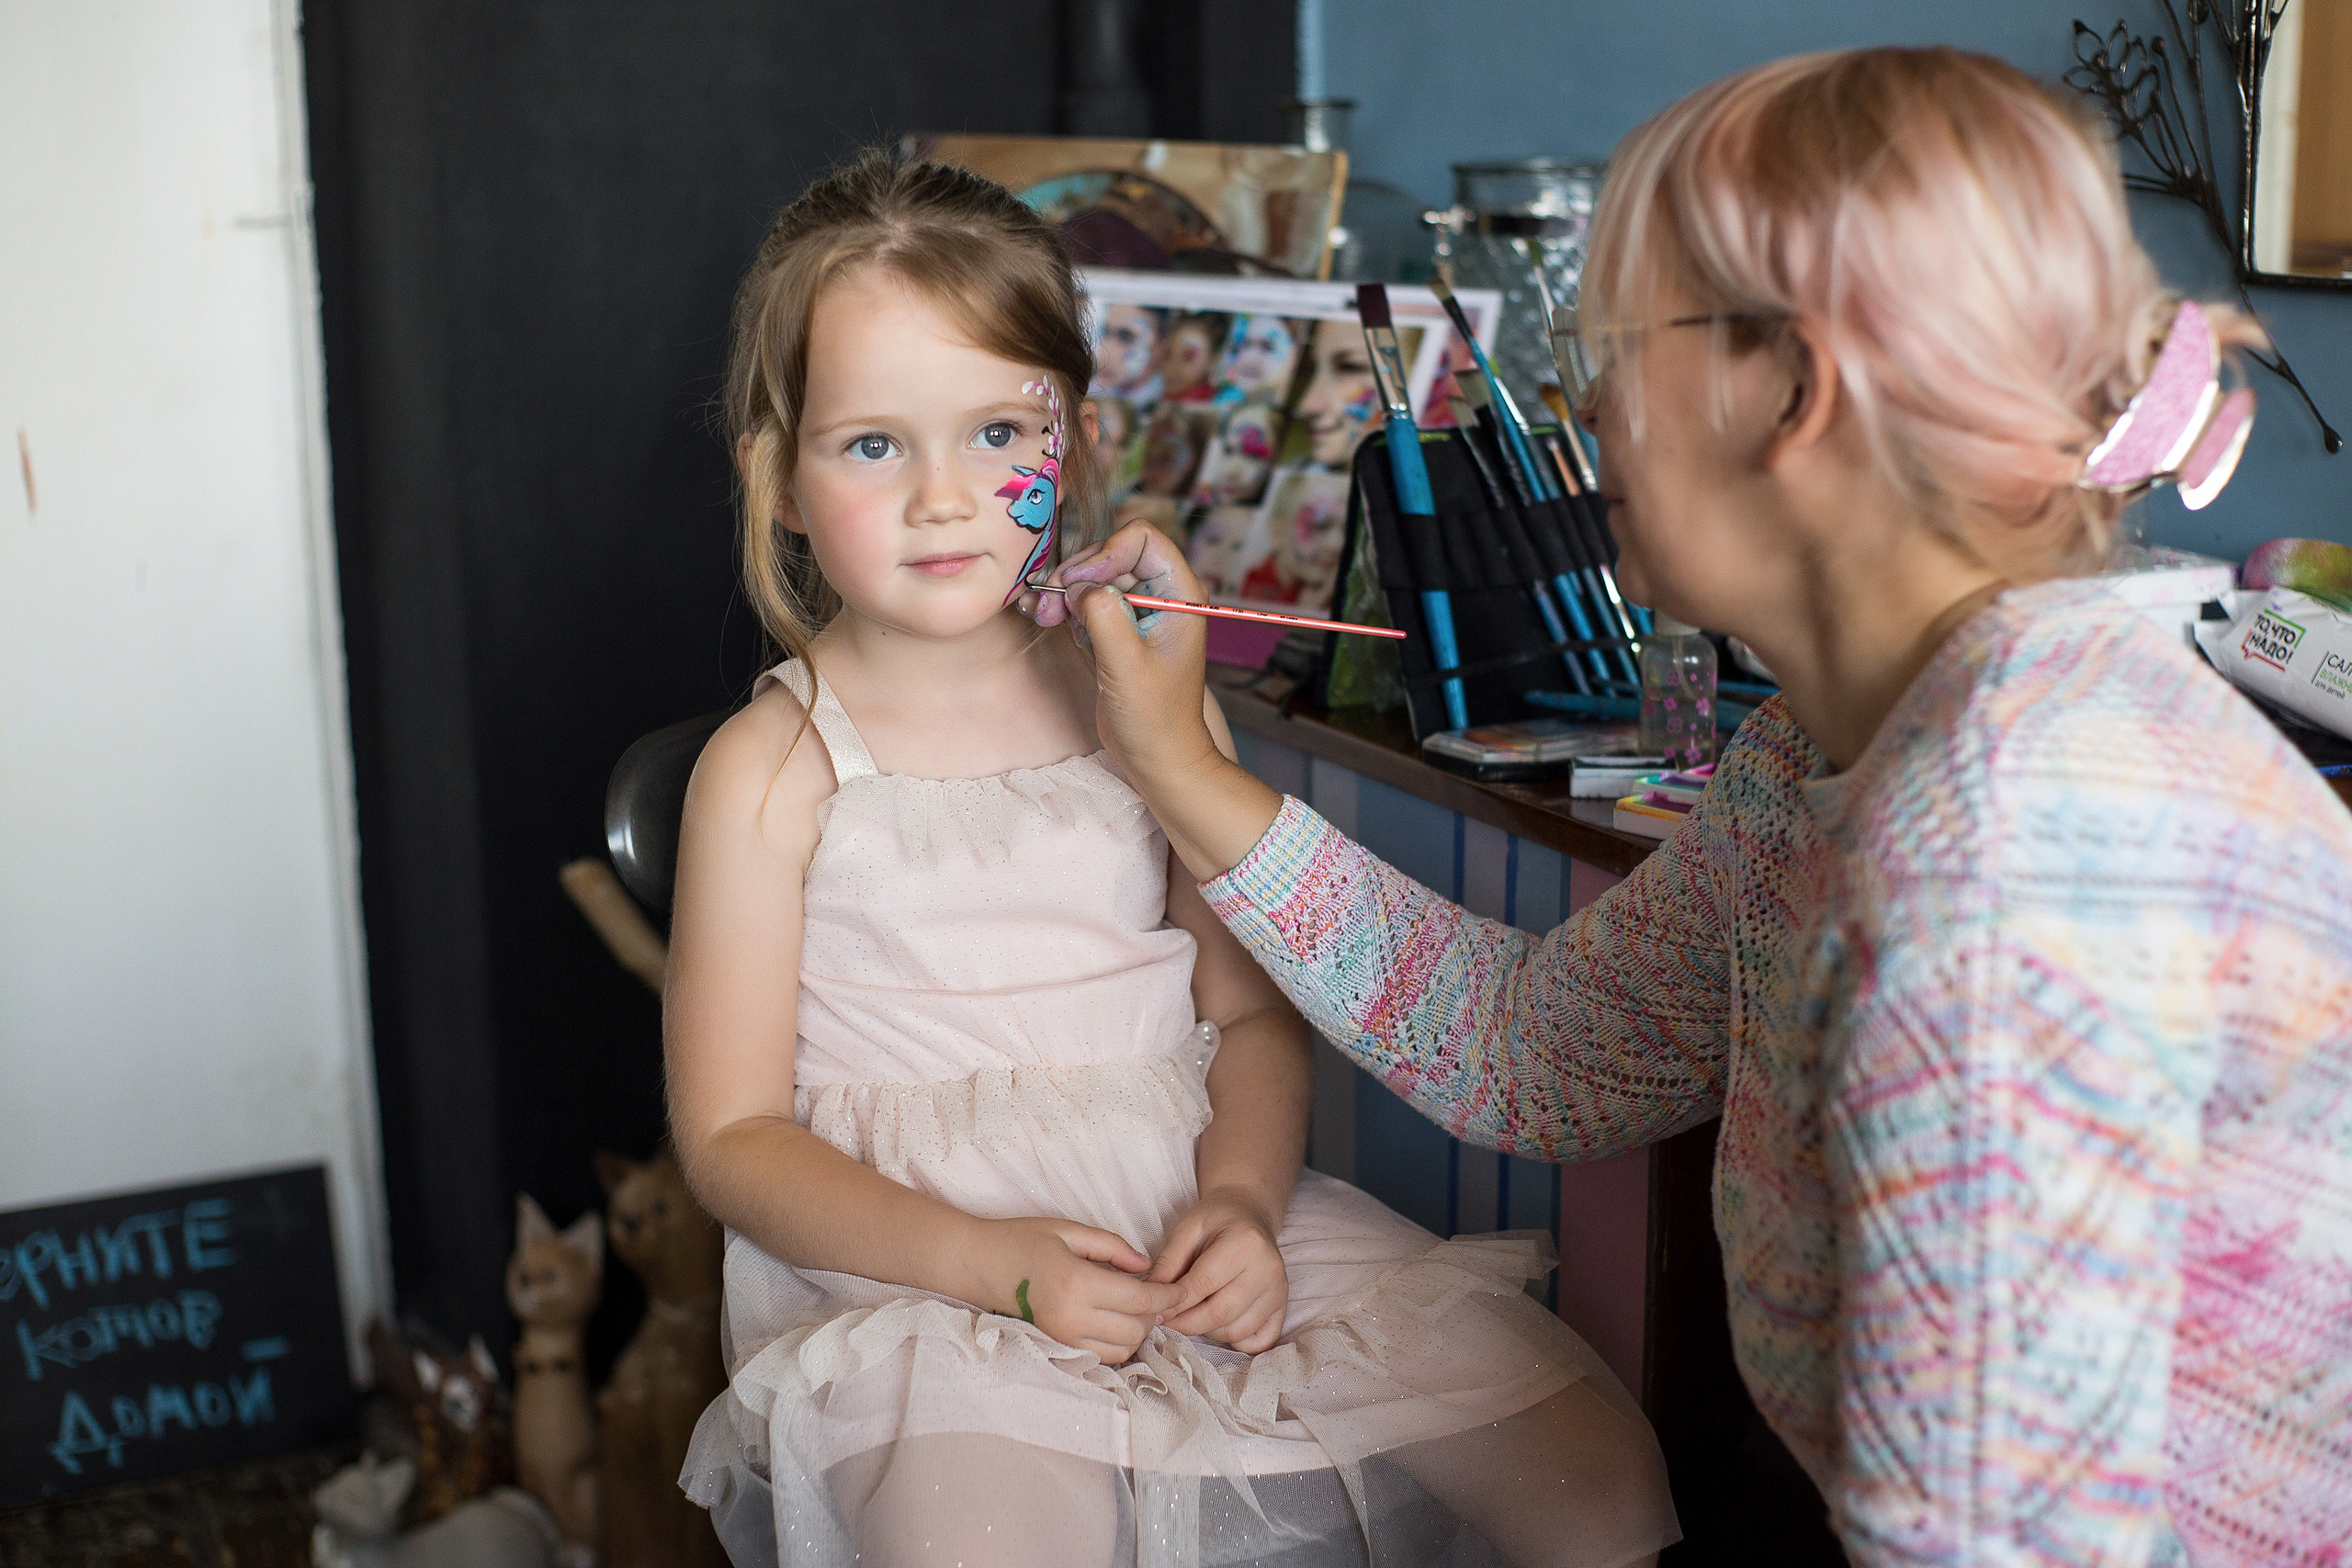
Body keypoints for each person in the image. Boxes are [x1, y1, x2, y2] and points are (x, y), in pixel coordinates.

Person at [1038, 48, 2352, 1567]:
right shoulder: (1828, 749)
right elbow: (1536, 1056)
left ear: (1795, 388)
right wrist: (1186, 770)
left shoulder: (2008, 870)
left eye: (1617, 340)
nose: (1580, 401)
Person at [667, 151, 1679, 1568]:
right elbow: (731, 1141)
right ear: (777, 480)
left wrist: (1241, 1208)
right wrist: (986, 1264)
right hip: (921, 1269)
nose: (946, 498)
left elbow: (1253, 1015)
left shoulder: (1139, 700)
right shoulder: (768, 771)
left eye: (998, 435)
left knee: (1594, 1479)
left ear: (1071, 444)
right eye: (875, 445)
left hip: (1184, 1202)